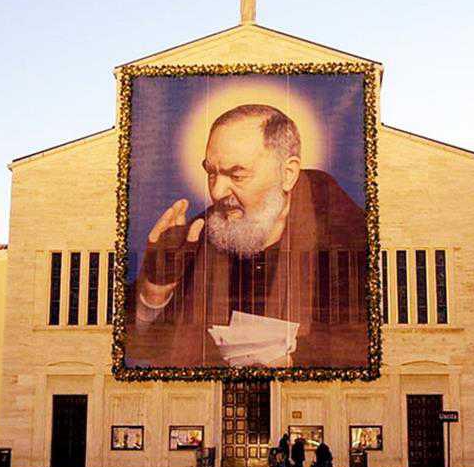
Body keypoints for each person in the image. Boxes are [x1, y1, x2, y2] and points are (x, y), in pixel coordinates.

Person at [127, 104, 368, 368]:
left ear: (287, 174)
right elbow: (142, 347)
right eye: (211, 173)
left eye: (237, 174)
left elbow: (366, 342)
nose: (217, 192)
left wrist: (291, 362)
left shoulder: (347, 233)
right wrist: (156, 288)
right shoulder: (197, 235)